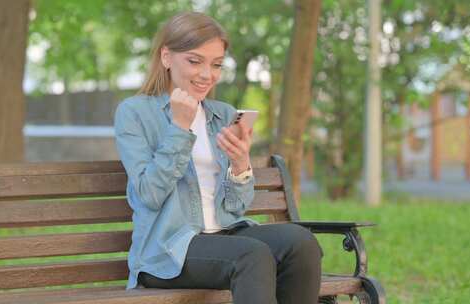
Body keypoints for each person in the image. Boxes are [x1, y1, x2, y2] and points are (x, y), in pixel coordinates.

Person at [114, 11, 323, 304]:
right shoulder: (134, 113)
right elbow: (149, 194)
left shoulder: (222, 115)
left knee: (301, 243)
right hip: (168, 251)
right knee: (252, 255)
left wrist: (240, 165)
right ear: (166, 57)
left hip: (226, 237)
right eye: (194, 60)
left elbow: (236, 207)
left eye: (216, 65)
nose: (206, 74)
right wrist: (180, 128)